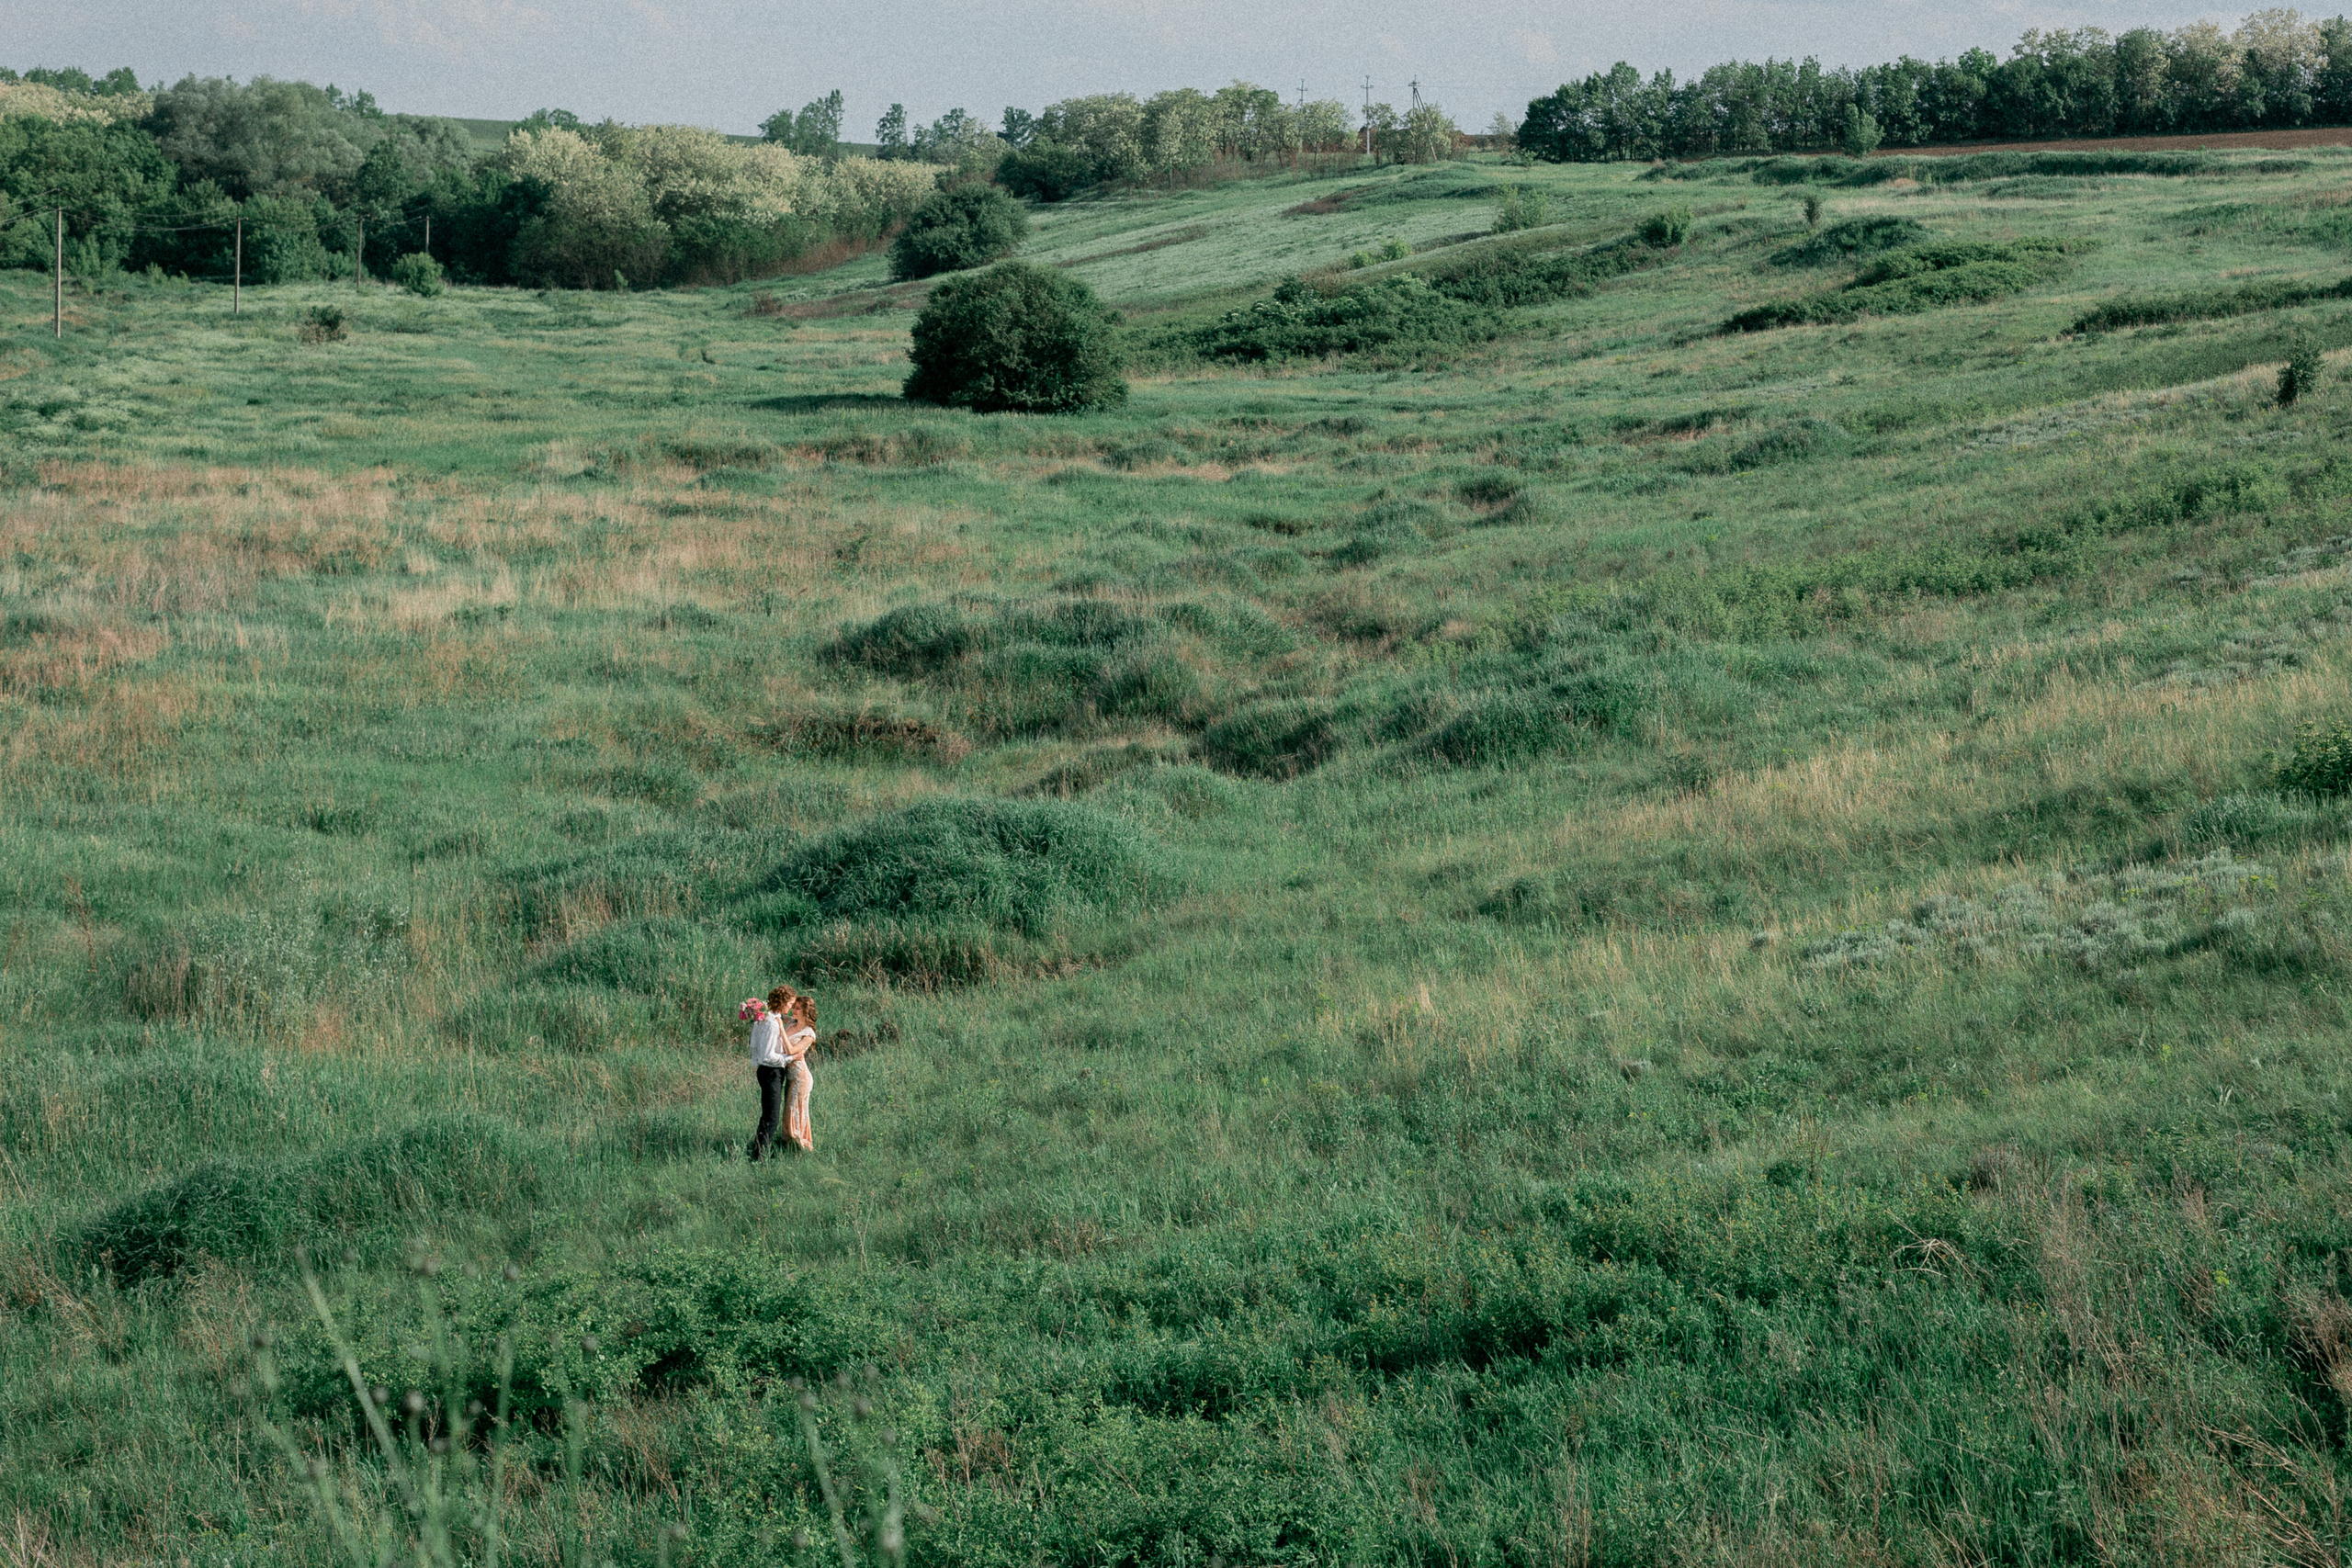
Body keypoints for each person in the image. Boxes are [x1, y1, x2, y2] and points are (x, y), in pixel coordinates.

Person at [743, 985, 796, 1161]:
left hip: (767, 1072)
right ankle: (759, 1158)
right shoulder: (771, 1024)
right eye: (789, 1004)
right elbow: (767, 1055)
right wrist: (788, 1058)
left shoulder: (766, 1018)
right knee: (771, 1118)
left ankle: (758, 1151)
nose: (791, 1007)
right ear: (781, 1003)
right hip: (771, 1071)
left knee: (768, 1115)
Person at [780, 993, 817, 1152]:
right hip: (790, 1076)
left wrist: (781, 1028)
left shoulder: (809, 1034)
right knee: (789, 1108)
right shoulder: (791, 1022)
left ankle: (800, 1145)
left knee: (797, 1109)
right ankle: (789, 1144)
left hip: (801, 1077)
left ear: (806, 1011)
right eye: (794, 1007)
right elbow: (776, 1015)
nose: (794, 1011)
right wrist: (757, 1008)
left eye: (798, 1008)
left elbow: (791, 1050)